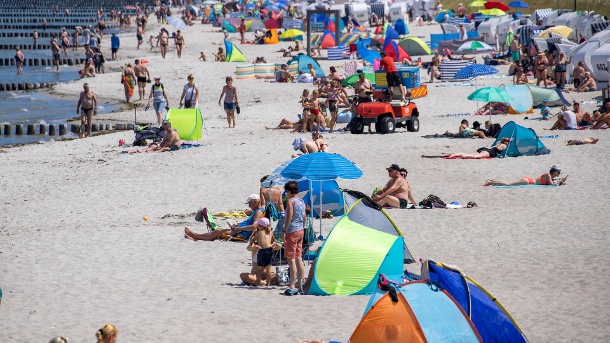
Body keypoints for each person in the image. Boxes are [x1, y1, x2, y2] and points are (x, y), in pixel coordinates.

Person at [184, 194, 264, 241]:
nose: (249, 206)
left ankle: (195, 236)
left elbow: (254, 227)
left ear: (256, 202)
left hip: (241, 233)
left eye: (250, 203)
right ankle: (195, 238)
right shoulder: (257, 210)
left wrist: (238, 228)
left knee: (217, 231)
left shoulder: (258, 212)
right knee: (218, 231)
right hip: (239, 230)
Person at [281, 181, 306, 295]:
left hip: (292, 231)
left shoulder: (291, 201)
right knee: (298, 257)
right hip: (300, 230)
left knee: (291, 259)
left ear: (289, 191)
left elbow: (289, 217)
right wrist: (302, 227)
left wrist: (284, 230)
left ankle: (292, 284)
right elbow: (304, 217)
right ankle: (300, 284)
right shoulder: (302, 201)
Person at [484, 165, 566, 186]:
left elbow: (553, 182)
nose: (558, 174)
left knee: (508, 182)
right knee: (508, 183)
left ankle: (491, 181)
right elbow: (552, 185)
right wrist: (560, 181)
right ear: (554, 171)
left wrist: (561, 181)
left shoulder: (550, 177)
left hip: (529, 180)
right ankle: (490, 182)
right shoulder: (548, 175)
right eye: (558, 172)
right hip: (528, 181)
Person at [250, 218, 275, 286]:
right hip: (269, 250)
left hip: (262, 250)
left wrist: (252, 242)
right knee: (268, 268)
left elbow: (253, 240)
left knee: (259, 268)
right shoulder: (270, 232)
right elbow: (273, 241)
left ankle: (258, 282)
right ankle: (268, 283)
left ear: (260, 226)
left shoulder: (258, 233)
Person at [441, 137, 510, 159]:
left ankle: (455, 154)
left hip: (484, 148)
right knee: (475, 156)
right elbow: (506, 153)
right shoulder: (505, 146)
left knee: (470, 153)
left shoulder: (498, 144)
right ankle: (464, 156)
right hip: (489, 151)